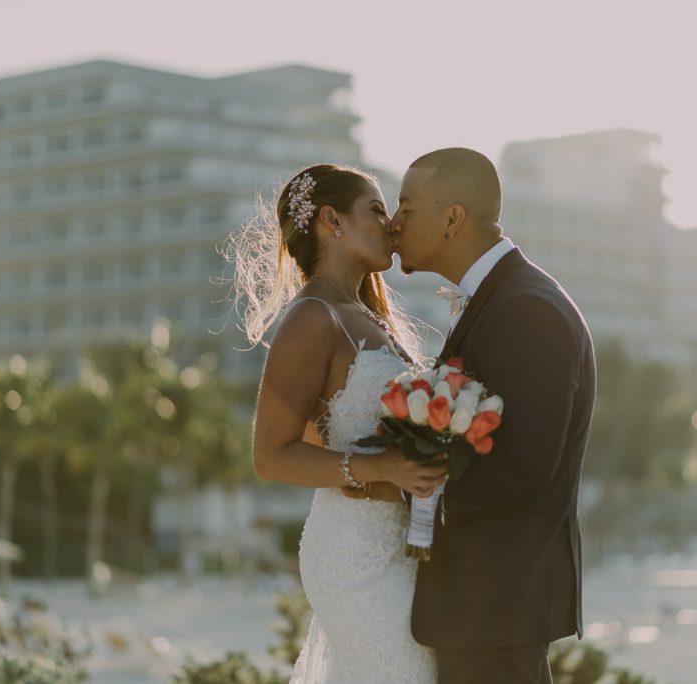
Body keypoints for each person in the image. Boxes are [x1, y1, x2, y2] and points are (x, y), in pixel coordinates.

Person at [380, 147, 597, 684]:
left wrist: (408, 484)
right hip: (483, 611)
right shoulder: (503, 298)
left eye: (406, 207)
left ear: (453, 217)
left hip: (496, 607)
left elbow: (524, 464)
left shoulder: (527, 308)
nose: (393, 223)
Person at [229, 163, 444, 682]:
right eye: (375, 209)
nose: (391, 223)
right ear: (332, 220)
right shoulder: (312, 318)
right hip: (353, 556)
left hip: (401, 544)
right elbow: (271, 455)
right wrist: (386, 468)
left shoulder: (367, 317)